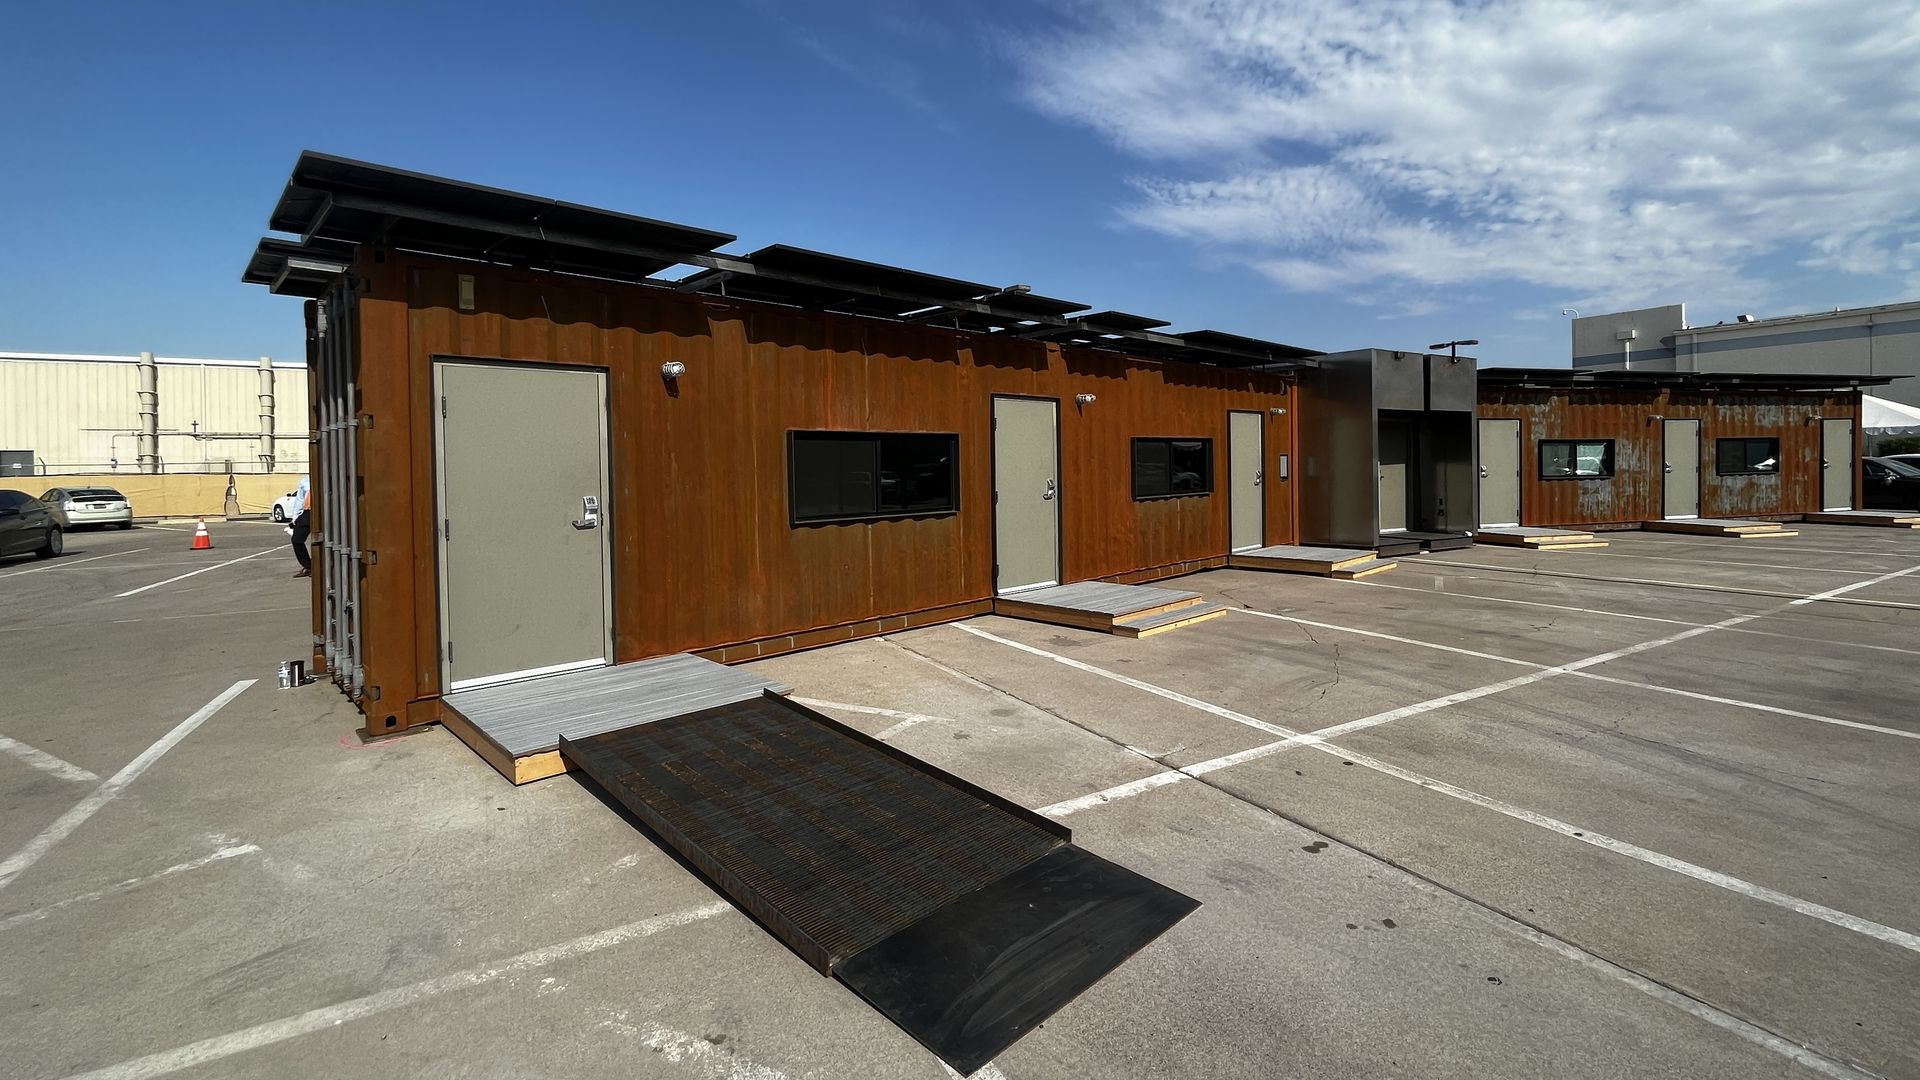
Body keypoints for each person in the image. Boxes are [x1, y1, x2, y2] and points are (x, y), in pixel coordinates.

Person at [290, 474, 312, 578]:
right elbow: (300, 499)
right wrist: (295, 516)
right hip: (308, 512)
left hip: (323, 511)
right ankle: (308, 566)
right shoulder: (305, 481)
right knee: (296, 540)